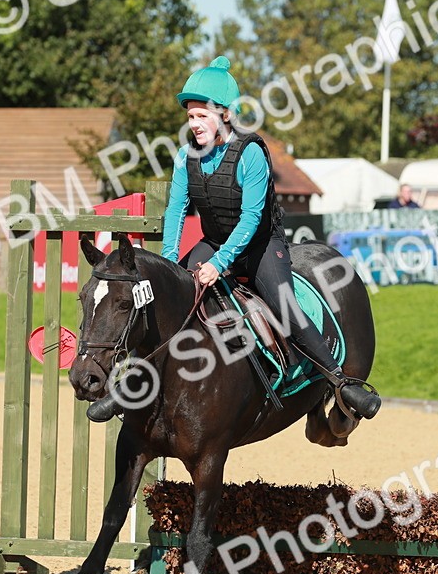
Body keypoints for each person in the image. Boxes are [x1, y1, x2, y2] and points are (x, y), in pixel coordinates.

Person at [144, 56, 380, 420]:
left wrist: (218, 265)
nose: (194, 125)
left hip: (260, 245)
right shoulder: (184, 157)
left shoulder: (250, 153)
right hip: (215, 240)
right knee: (172, 296)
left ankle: (341, 382)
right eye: (190, 117)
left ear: (224, 113)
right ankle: (140, 382)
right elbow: (175, 212)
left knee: (285, 308)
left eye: (201, 115)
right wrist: (172, 261)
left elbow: (252, 219)